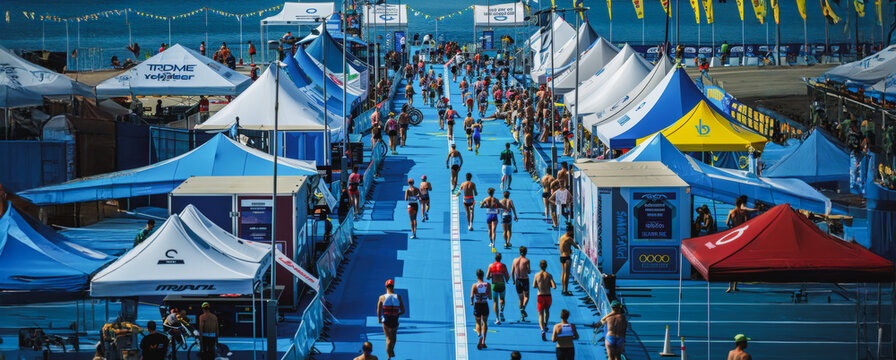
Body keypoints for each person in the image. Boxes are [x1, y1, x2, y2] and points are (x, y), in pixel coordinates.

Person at [377, 279, 404, 359]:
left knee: (388, 339)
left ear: (386, 286)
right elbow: (403, 311)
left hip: (386, 321)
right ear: (393, 287)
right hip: (395, 320)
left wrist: (379, 319)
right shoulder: (398, 297)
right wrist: (397, 314)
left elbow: (379, 310)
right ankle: (391, 350)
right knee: (394, 337)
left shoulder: (382, 297)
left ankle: (389, 357)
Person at [532, 260, 556, 341]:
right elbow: (554, 286)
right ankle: (545, 323)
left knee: (540, 314)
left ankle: (542, 330)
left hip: (540, 296)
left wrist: (540, 285)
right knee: (547, 311)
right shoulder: (549, 275)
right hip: (548, 296)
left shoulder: (536, 275)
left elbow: (534, 286)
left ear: (540, 266)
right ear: (546, 266)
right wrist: (549, 283)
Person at [470, 269, 492, 350]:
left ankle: (479, 335)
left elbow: (472, 296)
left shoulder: (474, 285)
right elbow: (490, 297)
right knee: (485, 322)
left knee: (478, 322)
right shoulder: (488, 285)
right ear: (483, 275)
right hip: (485, 304)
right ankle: (483, 341)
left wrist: (471, 302)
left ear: (477, 276)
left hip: (477, 305)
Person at [556, 224, 580, 296]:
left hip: (561, 257)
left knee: (563, 273)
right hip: (567, 258)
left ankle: (563, 289)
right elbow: (576, 247)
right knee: (566, 274)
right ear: (570, 231)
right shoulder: (569, 239)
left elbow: (563, 247)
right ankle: (565, 290)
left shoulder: (561, 237)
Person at [486, 252, 509, 324]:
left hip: (494, 285)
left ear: (495, 258)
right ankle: (501, 311)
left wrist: (492, 276)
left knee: (495, 302)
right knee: (502, 299)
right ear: (500, 258)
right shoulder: (503, 266)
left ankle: (497, 319)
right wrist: (506, 280)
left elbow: (487, 277)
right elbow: (507, 276)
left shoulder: (491, 266)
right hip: (502, 284)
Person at [511, 246, 530, 322]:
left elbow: (512, 272)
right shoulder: (526, 260)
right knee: (526, 296)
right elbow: (529, 271)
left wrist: (513, 280)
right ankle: (523, 307)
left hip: (518, 280)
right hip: (525, 280)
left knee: (520, 298)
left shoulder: (514, 260)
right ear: (526, 252)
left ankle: (522, 316)